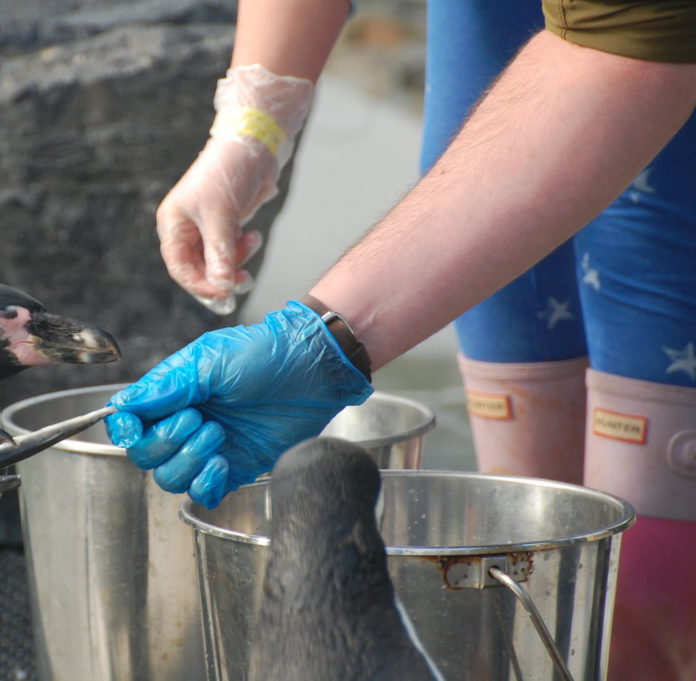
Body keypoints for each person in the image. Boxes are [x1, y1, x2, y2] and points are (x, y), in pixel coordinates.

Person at [104, 1, 696, 679]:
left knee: (650, 578)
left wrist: (325, 342)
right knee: (535, 543)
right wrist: (251, 125)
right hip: (491, 22)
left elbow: (630, 46)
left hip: (645, 45)